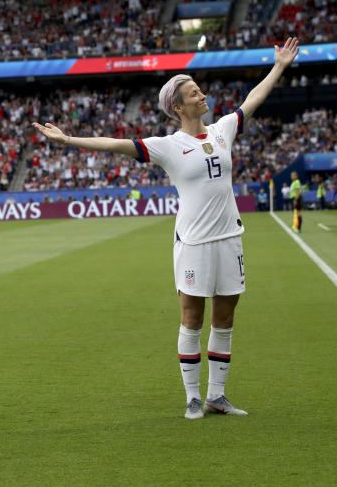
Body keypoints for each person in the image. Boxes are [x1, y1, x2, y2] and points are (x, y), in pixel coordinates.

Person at [33, 37, 299, 420]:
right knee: (191, 318)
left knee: (225, 318)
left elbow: (252, 101)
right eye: (194, 93)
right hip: (193, 242)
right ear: (178, 106)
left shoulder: (224, 129)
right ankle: (193, 397)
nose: (202, 95)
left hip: (229, 238)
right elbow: (115, 145)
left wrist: (278, 67)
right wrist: (68, 139)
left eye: (200, 89)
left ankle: (216, 396)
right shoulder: (167, 146)